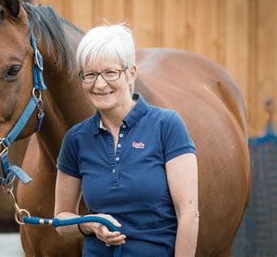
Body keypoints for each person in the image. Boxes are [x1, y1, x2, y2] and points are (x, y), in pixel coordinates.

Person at [54, 24, 199, 256]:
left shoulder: (167, 126)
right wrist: (89, 224)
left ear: (131, 73)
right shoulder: (76, 139)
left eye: (111, 73)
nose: (99, 84)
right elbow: (61, 219)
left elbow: (189, 213)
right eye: (90, 74)